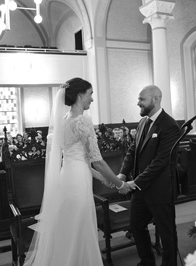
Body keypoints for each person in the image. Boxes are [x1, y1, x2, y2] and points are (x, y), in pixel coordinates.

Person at [24, 78, 131, 266]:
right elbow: (96, 160)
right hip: (78, 183)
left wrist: (104, 179)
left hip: (67, 179)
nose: (92, 99)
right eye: (90, 94)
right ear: (80, 95)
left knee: (69, 228)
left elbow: (79, 160)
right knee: (79, 228)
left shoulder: (64, 121)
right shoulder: (83, 121)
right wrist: (120, 184)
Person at [117, 85, 180, 266]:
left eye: (142, 99)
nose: (138, 103)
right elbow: (132, 150)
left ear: (155, 99)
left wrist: (135, 182)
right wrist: (122, 173)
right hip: (141, 191)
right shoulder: (143, 122)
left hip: (160, 190)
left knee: (167, 232)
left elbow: (161, 161)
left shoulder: (169, 125)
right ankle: (147, 261)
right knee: (136, 226)